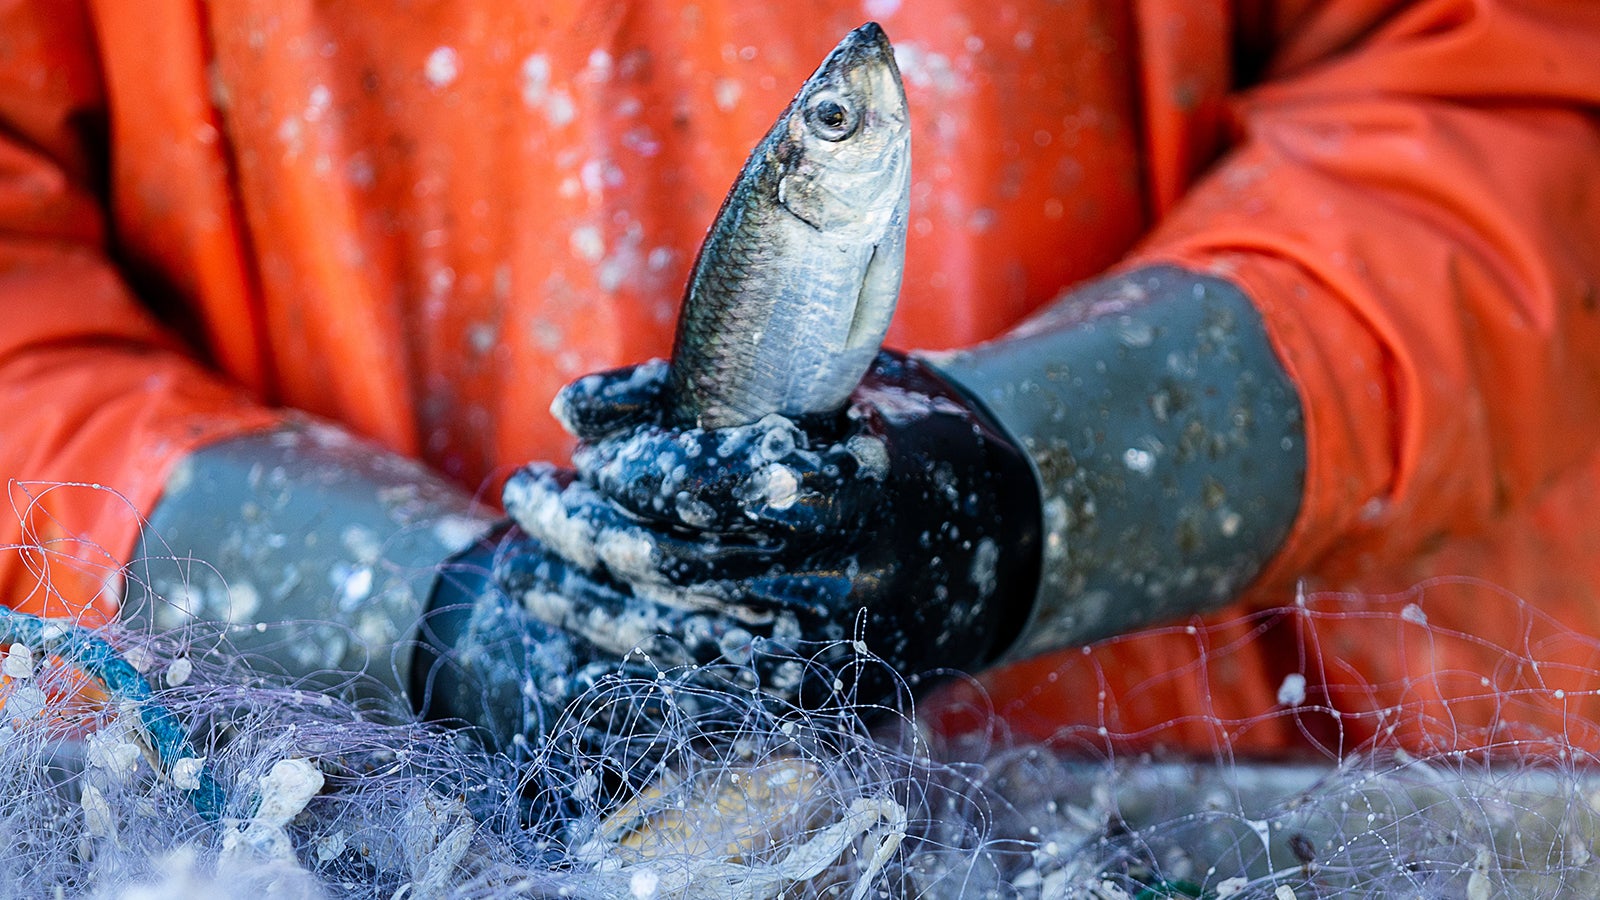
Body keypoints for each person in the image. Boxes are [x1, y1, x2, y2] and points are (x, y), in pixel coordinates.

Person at [3, 1, 1600, 759]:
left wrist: (1033, 481)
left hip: (1239, 800)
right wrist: (416, 615)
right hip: (337, 818)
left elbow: (1508, 109)